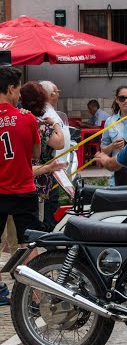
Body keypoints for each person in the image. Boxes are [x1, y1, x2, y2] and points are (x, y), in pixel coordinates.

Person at [0, 66, 42, 307]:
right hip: (23, 188)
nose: (19, 96)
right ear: (9, 88)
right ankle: (35, 296)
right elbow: (35, 153)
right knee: (28, 244)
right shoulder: (27, 118)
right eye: (17, 90)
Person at [20, 83, 67, 230]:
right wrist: (55, 124)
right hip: (40, 175)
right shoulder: (40, 124)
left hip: (21, 172)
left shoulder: (20, 119)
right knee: (40, 216)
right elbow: (59, 143)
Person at [100, 86, 127, 186]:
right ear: (117, 100)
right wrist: (113, 146)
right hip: (117, 173)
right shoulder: (110, 121)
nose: (126, 101)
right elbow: (103, 150)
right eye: (122, 98)